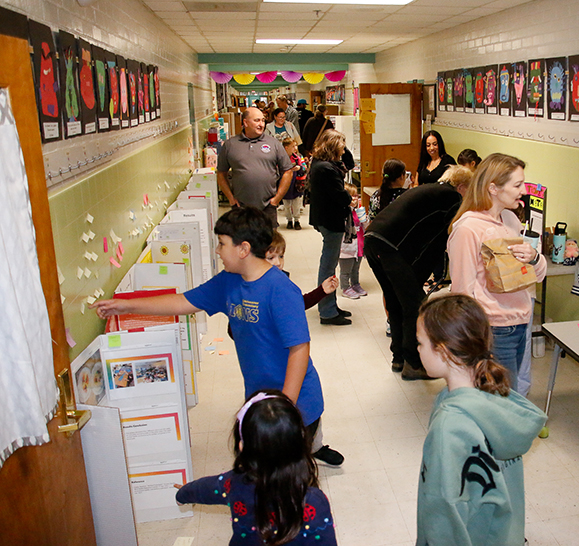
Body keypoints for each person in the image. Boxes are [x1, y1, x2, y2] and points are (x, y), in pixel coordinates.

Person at [92, 208, 343, 466]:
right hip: (260, 399)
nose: (217, 251)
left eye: (222, 244)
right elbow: (182, 302)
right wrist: (126, 306)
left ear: (243, 249)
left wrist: (285, 407)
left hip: (296, 401)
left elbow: (299, 349)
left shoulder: (280, 290)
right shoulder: (228, 281)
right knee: (267, 471)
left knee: (291, 474)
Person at [414, 294, 546, 546]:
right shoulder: (494, 396)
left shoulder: (448, 426)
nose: (417, 349)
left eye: (420, 343)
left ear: (443, 351)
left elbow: (443, 512)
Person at [175, 390, 337, 546]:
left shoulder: (234, 483)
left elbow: (205, 489)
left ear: (241, 445)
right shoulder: (314, 502)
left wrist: (182, 494)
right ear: (301, 444)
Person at [447, 153, 547, 390]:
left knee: (507, 394)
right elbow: (462, 292)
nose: (523, 191)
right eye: (517, 185)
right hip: (493, 329)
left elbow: (537, 275)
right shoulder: (468, 229)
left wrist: (534, 258)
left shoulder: (511, 221)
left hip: (520, 321)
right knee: (501, 397)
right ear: (493, 187)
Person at [364, 165, 473, 380]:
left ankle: (399, 358)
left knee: (396, 302)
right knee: (416, 305)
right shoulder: (450, 197)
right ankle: (413, 363)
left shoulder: (429, 191)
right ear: (461, 187)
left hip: (374, 240)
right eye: (469, 192)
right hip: (390, 247)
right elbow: (452, 233)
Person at [216, 107, 293, 228]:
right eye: (257, 120)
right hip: (240, 207)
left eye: (263, 120)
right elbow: (221, 173)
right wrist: (230, 198)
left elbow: (288, 171)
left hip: (268, 206)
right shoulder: (231, 145)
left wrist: (277, 199)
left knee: (269, 244)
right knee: (242, 243)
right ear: (245, 122)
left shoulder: (274, 143)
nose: (261, 124)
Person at [308, 130, 353, 326]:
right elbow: (342, 197)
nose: (344, 150)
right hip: (330, 220)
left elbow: (349, 163)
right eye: (341, 146)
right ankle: (327, 311)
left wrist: (342, 145)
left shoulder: (320, 163)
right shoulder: (327, 169)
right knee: (328, 266)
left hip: (324, 218)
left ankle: (331, 304)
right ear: (334, 147)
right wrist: (351, 198)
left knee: (329, 263)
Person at [339, 183, 368, 300]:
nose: (355, 198)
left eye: (356, 195)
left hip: (359, 246)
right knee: (346, 270)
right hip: (346, 247)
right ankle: (345, 287)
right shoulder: (343, 213)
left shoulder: (358, 211)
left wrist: (364, 218)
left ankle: (355, 284)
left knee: (355, 269)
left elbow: (366, 226)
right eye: (351, 196)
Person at [278, 137, 307, 230]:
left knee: (296, 204)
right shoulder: (280, 158)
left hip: (296, 183)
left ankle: (297, 220)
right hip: (285, 183)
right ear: (286, 147)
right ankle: (289, 220)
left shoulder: (298, 157)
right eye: (293, 146)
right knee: (286, 204)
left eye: (295, 146)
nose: (295, 148)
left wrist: (299, 168)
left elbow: (305, 168)